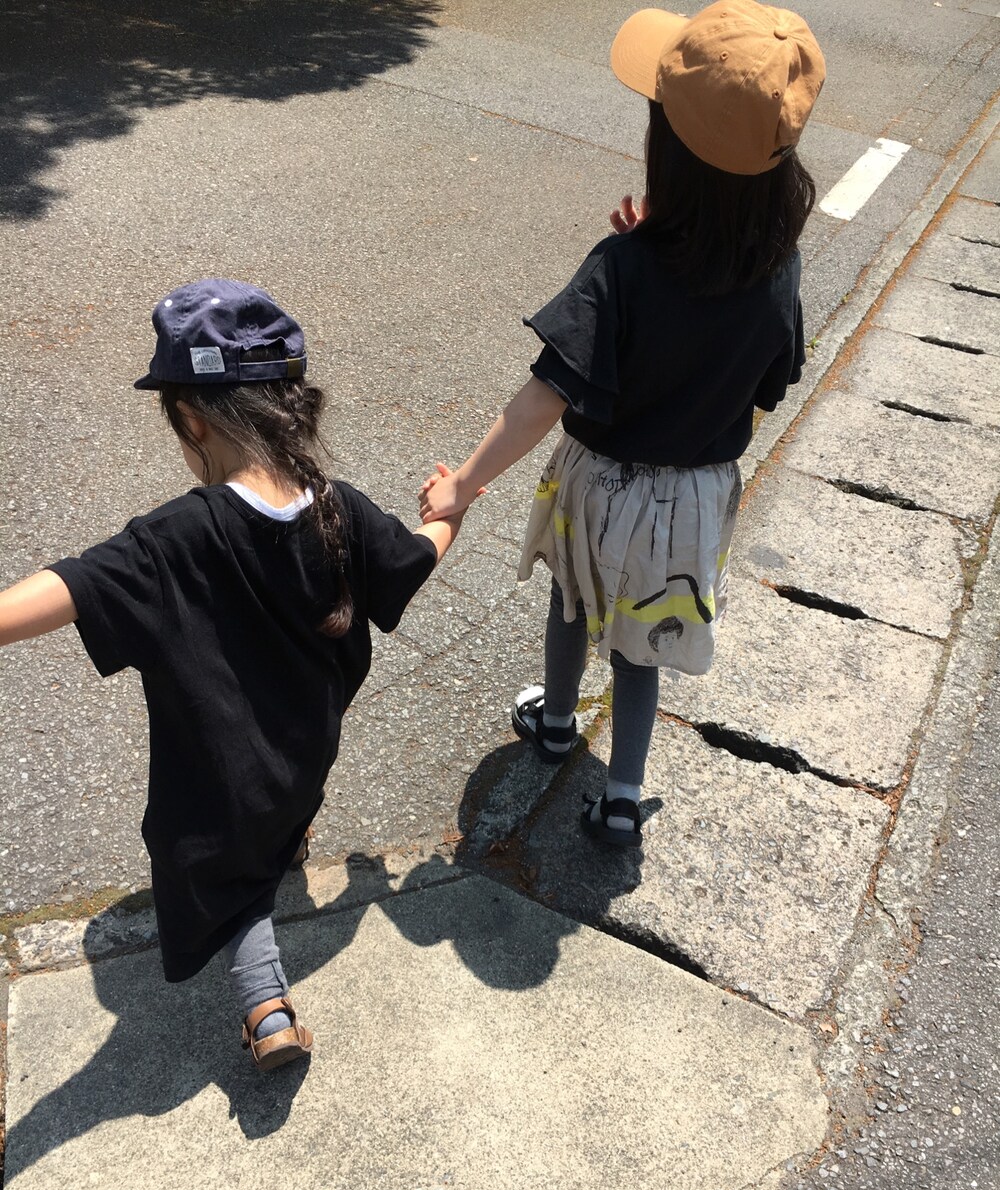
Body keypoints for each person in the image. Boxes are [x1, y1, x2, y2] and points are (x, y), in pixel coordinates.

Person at [0, 279, 468, 1071]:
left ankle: (266, 1005)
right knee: (276, 815)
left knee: (227, 871)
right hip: (306, 749)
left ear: (191, 419)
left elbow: (64, 591)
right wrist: (449, 512)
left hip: (223, 782)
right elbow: (414, 558)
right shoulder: (339, 507)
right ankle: (288, 842)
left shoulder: (172, 539)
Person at [419, 0, 825, 849]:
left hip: (599, 489)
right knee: (643, 646)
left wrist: (463, 484)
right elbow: (768, 384)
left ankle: (555, 723)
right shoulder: (778, 268)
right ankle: (621, 799)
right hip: (695, 501)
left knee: (572, 598)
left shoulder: (623, 267)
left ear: (667, 150)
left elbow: (543, 399)